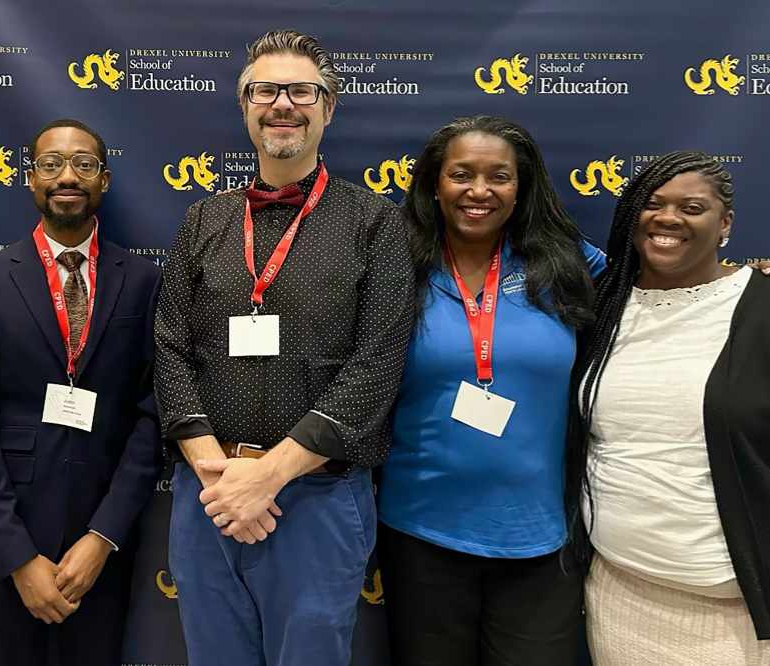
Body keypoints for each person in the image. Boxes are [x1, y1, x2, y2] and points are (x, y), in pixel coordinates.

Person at [154, 29, 413, 666]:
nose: (282, 104)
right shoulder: (204, 219)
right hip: (208, 496)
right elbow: (168, 347)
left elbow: (376, 364)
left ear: (329, 107)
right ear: (244, 106)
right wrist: (222, 477)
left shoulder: (374, 221)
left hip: (317, 500)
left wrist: (267, 475)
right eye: (265, 90)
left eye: (302, 90)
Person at [377, 115, 605, 665]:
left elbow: (656, 294)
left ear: (521, 187)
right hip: (420, 531)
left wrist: (736, 284)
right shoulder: (395, 266)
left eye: (498, 176)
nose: (479, 191)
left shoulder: (568, 264)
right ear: (434, 183)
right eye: (461, 174)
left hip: (538, 536)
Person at [0, 119, 162, 666]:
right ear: (31, 180)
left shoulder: (142, 281)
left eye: (84, 164)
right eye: (51, 164)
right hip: (11, 541)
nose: (67, 175)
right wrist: (18, 556)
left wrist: (103, 538)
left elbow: (151, 418)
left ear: (105, 180)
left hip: (102, 542)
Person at [571, 151, 770, 664]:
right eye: (653, 203)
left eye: (692, 207)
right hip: (617, 592)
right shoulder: (603, 305)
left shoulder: (760, 306)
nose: (668, 217)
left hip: (736, 612)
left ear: (725, 223)